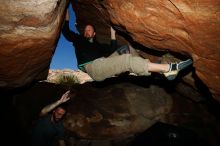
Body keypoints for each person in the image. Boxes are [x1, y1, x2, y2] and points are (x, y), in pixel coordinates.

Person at [62, 8, 192, 81]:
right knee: (126, 60)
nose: (86, 31)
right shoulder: (79, 40)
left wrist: (112, 33)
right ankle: (168, 69)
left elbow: (112, 49)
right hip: (93, 68)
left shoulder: (98, 45)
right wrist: (66, 17)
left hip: (102, 62)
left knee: (126, 49)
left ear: (94, 33)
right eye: (85, 30)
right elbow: (67, 32)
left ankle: (149, 68)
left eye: (89, 29)